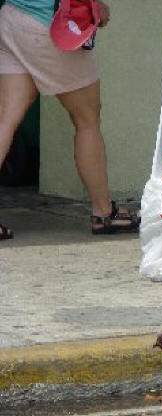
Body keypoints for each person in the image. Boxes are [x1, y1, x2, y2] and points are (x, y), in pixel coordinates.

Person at [0, 0, 139, 239]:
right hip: (50, 25)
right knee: (87, 120)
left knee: (5, 120)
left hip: (12, 17)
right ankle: (104, 213)